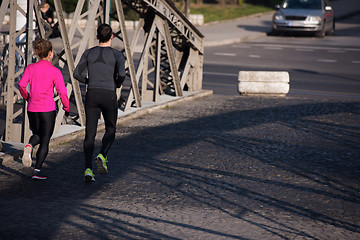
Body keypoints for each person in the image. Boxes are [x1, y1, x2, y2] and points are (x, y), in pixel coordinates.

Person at [73, 23, 126, 182]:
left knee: (90, 134)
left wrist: (88, 80)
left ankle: (88, 169)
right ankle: (102, 155)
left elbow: (77, 73)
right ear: (111, 37)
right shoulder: (117, 55)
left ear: (97, 37)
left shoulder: (88, 53)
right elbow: (122, 74)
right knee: (111, 128)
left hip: (92, 94)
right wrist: (117, 83)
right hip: (109, 94)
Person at [18, 38, 69, 180]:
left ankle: (29, 145)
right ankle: (37, 171)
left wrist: (27, 96)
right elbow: (62, 92)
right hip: (47, 109)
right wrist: (66, 106)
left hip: (32, 108)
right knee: (45, 140)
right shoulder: (55, 71)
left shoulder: (30, 68)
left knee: (36, 133)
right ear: (51, 53)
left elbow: (21, 85)